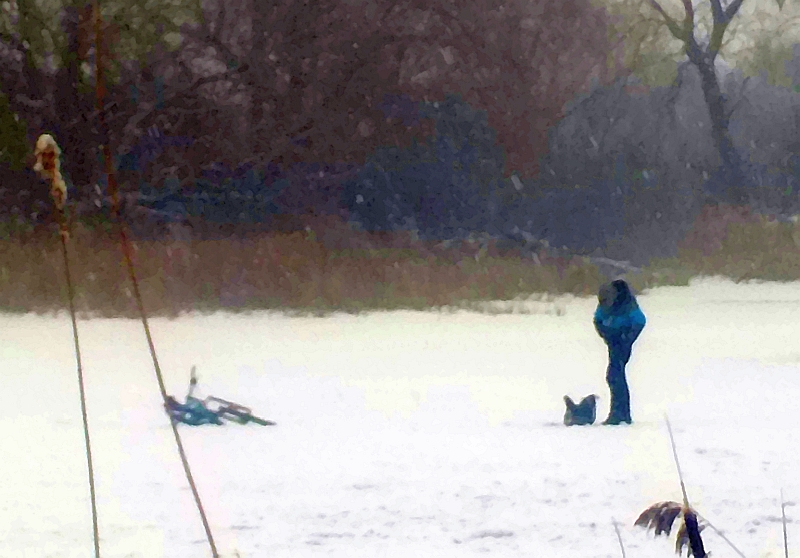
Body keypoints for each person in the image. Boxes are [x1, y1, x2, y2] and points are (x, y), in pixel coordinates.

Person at [593, 279, 646, 425]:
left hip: (623, 341)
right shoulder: (605, 302)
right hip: (612, 339)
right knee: (615, 375)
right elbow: (598, 320)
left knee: (614, 375)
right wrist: (606, 333)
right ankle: (621, 414)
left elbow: (640, 321)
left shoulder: (628, 305)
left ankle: (619, 414)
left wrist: (627, 338)